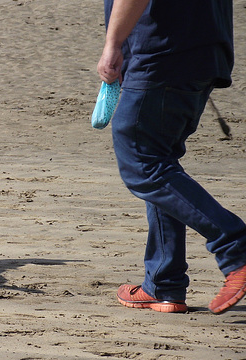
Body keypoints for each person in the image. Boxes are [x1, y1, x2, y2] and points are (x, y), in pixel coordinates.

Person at [97, 0, 246, 314]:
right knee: (158, 158)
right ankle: (164, 284)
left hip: (164, 52)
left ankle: (237, 249)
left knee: (142, 162)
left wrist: (113, 44)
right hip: (204, 49)